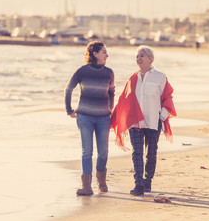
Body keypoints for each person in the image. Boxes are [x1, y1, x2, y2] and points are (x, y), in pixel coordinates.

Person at [111, 45, 176, 196]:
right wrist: (116, 117)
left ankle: (148, 181)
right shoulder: (132, 78)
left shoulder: (160, 77)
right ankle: (138, 183)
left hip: (154, 121)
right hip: (135, 122)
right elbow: (124, 100)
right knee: (137, 152)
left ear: (150, 58)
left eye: (142, 55)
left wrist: (161, 117)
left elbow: (168, 97)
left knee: (151, 153)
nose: (138, 58)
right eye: (137, 56)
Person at [64, 41, 115, 196]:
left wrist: (110, 108)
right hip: (84, 117)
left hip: (103, 119)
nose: (107, 55)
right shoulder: (82, 71)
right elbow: (68, 89)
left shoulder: (109, 73)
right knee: (87, 151)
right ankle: (86, 187)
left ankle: (102, 182)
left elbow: (112, 92)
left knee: (103, 152)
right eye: (104, 52)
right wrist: (69, 110)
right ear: (95, 54)